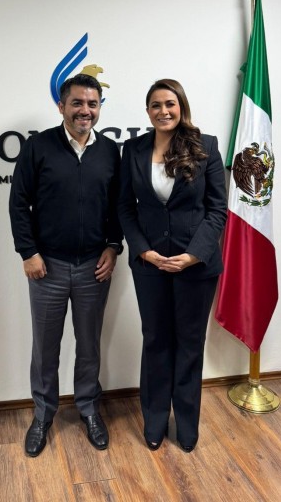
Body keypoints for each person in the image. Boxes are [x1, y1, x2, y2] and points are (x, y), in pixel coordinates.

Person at [9, 73, 124, 458]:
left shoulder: (110, 151)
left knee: (89, 345)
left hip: (94, 268)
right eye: (77, 103)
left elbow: (118, 208)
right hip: (48, 268)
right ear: (61, 106)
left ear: (99, 107)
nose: (85, 111)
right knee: (45, 347)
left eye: (92, 104)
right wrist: (28, 252)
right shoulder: (38, 147)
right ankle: (43, 414)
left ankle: (89, 409)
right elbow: (18, 203)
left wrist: (114, 246)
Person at [117, 78, 227, 453]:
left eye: (170, 104)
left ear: (181, 106)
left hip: (196, 267)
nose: (163, 111)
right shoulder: (133, 149)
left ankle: (187, 422)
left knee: (190, 344)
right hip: (150, 266)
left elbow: (217, 209)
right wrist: (143, 251)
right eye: (155, 105)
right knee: (156, 341)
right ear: (147, 111)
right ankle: (154, 419)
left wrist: (195, 253)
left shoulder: (205, 146)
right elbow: (124, 208)